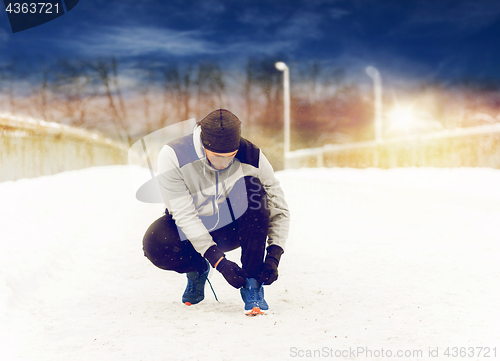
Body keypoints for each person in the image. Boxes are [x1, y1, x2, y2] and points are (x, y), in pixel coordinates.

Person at [142, 109, 290, 313]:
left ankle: (253, 281)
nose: (225, 163)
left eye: (231, 156)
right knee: (155, 243)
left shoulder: (252, 155)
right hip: (191, 227)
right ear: (204, 145)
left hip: (231, 228)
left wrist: (274, 255)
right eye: (218, 156)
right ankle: (197, 269)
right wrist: (219, 262)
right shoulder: (173, 155)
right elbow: (183, 214)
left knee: (254, 190)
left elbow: (279, 207)